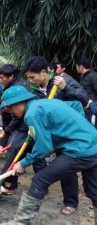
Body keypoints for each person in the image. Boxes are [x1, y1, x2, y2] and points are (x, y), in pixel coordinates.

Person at [0, 86, 97, 225]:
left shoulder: (32, 113)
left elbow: (44, 147)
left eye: (10, 107)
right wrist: (75, 128)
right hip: (93, 143)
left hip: (79, 150)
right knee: (93, 190)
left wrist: (23, 163)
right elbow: (76, 106)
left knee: (40, 179)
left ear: (20, 102)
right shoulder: (45, 103)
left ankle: (20, 223)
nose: (10, 111)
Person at [23, 56, 89, 215]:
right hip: (49, 131)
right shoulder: (34, 89)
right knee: (40, 155)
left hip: (69, 132)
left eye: (33, 77)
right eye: (28, 78)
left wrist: (66, 88)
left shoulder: (64, 81)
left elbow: (84, 100)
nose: (31, 81)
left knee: (68, 167)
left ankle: (71, 202)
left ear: (44, 72)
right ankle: (39, 191)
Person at [0, 64, 46, 195]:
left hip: (27, 125)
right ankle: (42, 185)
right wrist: (3, 139)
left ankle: (7, 183)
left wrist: (7, 131)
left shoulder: (17, 89)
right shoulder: (16, 86)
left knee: (15, 150)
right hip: (28, 124)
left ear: (11, 76)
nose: (1, 80)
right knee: (37, 155)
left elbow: (17, 115)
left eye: (2, 78)